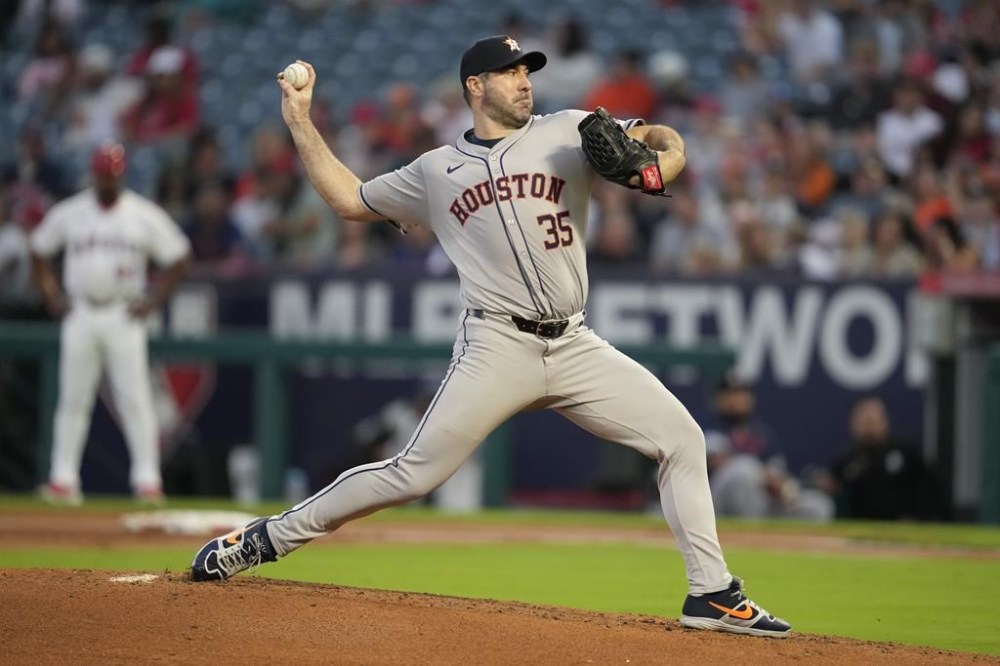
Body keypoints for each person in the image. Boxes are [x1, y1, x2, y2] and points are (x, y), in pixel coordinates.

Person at [190, 36, 791, 638]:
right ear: (475, 87)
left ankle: (710, 594)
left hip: (575, 343)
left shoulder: (569, 129)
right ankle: (265, 538)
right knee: (413, 474)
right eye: (509, 72)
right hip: (496, 347)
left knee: (682, 438)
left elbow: (657, 141)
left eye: (527, 69)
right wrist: (299, 121)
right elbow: (350, 199)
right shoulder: (435, 170)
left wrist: (666, 156)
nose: (525, 80)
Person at [29, 143, 192, 506]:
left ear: (122, 173)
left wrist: (154, 300)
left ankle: (148, 481)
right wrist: (52, 295)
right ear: (95, 174)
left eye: (113, 173)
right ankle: (63, 480)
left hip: (123, 312)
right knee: (73, 399)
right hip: (81, 311)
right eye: (103, 173)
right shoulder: (72, 212)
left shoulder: (141, 214)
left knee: (135, 399)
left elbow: (179, 256)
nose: (108, 179)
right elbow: (39, 249)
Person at [823, 396, 935, 520]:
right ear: (853, 423)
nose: (869, 426)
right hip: (859, 524)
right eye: (865, 421)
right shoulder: (845, 461)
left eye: (873, 420)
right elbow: (834, 492)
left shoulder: (907, 453)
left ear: (884, 421)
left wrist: (918, 517)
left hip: (902, 523)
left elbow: (926, 489)